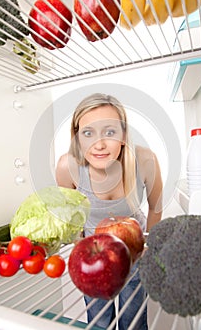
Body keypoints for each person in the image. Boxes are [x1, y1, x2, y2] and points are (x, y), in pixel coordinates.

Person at [56, 93, 163, 330]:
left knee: (133, 322)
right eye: (88, 133)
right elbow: (71, 216)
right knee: (100, 321)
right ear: (77, 138)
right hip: (93, 255)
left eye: (110, 132)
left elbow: (156, 207)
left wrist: (148, 248)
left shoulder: (145, 160)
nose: (100, 144)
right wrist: (78, 248)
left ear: (124, 136)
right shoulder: (68, 167)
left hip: (134, 250)